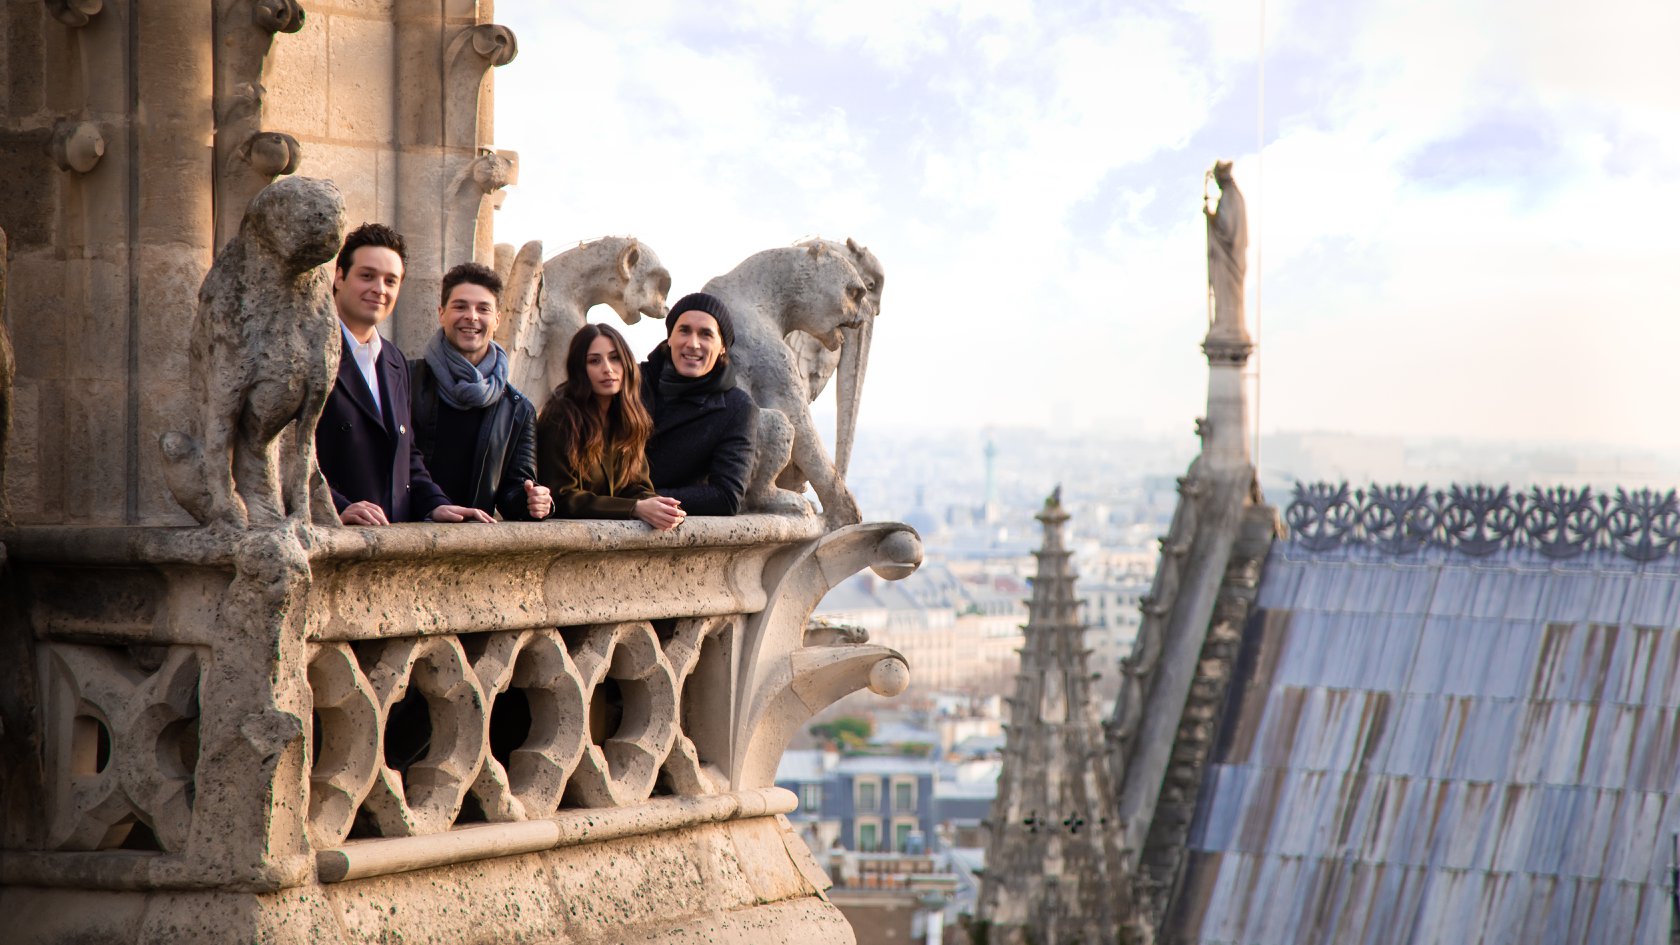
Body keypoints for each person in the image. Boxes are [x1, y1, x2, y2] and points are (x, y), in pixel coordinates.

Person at [314, 223, 492, 525]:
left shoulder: (395, 360)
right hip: (329, 541)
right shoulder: (309, 349)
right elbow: (284, 455)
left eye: (390, 280)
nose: (379, 289)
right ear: (340, 277)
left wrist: (435, 504)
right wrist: (334, 506)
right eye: (367, 276)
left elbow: (406, 455)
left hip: (391, 544)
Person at [409, 262, 552, 521]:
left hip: (469, 546)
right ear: (441, 313)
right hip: (404, 535)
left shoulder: (518, 409)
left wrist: (534, 501)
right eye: (460, 306)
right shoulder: (405, 381)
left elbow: (513, 494)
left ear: (497, 319)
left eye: (483, 309)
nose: (472, 316)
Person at [534, 323, 684, 530]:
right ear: (580, 369)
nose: (608, 369)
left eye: (615, 358)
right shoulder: (561, 417)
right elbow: (560, 497)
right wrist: (635, 508)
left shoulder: (630, 417)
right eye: (594, 361)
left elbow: (637, 486)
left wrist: (660, 506)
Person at [638, 292, 756, 515]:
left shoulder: (736, 408)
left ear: (723, 347)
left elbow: (726, 497)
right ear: (669, 338)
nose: (693, 344)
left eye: (706, 334)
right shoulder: (630, 380)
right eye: (684, 330)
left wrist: (644, 501)